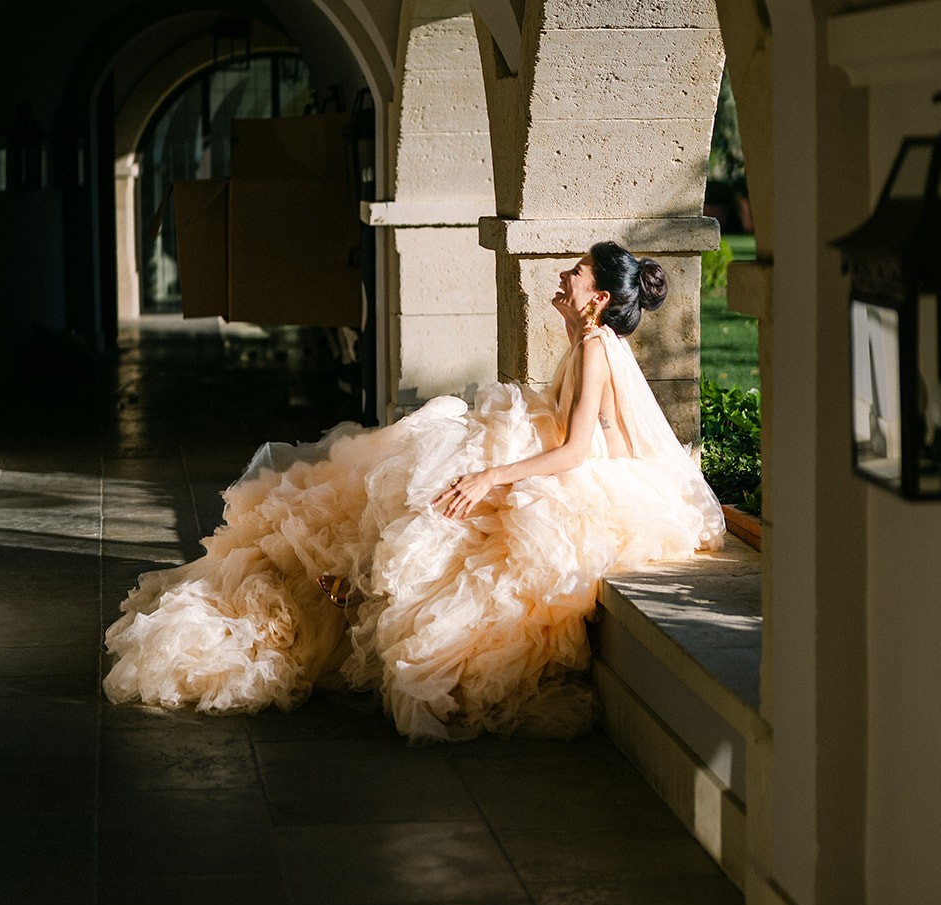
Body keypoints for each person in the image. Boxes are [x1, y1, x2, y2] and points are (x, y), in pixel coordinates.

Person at [103, 242, 725, 743]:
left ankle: (362, 583)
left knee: (454, 483)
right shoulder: (587, 341)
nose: (564, 274)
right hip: (549, 458)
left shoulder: (595, 348)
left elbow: (576, 450)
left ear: (600, 298)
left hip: (576, 480)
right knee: (430, 461)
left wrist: (492, 475)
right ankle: (358, 578)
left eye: (579, 271)